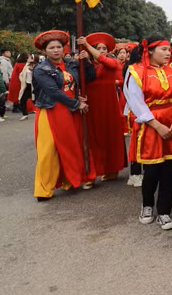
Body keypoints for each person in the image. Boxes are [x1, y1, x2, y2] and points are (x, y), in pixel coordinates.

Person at [124, 38, 172, 229]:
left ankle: (164, 212)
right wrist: (157, 125)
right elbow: (136, 103)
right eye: (163, 50)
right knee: (152, 171)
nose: (168, 53)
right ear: (150, 50)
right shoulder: (136, 71)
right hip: (150, 124)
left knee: (169, 170)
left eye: (169, 50)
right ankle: (147, 204)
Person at [32, 30, 95, 201]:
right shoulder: (41, 69)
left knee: (70, 147)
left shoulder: (71, 64)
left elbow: (89, 77)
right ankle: (44, 189)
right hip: (51, 110)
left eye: (58, 47)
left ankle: (70, 180)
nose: (56, 50)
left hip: (70, 111)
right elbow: (52, 91)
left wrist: (86, 61)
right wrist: (76, 103)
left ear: (64, 48)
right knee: (48, 150)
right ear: (45, 51)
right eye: (51, 48)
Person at [79, 33, 127, 186]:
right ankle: (92, 173)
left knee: (110, 136)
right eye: (98, 48)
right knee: (93, 138)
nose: (102, 50)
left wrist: (87, 45)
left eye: (104, 48)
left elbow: (106, 61)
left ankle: (111, 170)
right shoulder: (85, 64)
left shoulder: (112, 62)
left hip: (109, 104)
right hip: (92, 104)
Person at [17, 54, 36, 120]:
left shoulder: (37, 66)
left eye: (31, 58)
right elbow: (21, 74)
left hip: (35, 86)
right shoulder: (26, 66)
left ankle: (43, 113)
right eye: (29, 58)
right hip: (27, 85)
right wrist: (23, 81)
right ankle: (25, 114)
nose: (29, 59)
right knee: (23, 99)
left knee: (35, 100)